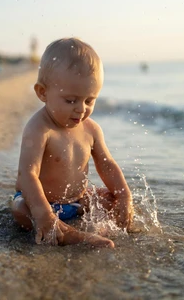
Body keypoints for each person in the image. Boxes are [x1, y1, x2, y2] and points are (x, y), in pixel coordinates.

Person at [11, 37, 133, 248]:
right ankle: (64, 232)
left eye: (89, 100)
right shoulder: (39, 128)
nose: (81, 109)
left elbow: (107, 164)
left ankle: (111, 226)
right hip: (40, 201)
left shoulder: (91, 129)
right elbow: (27, 175)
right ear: (43, 92)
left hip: (76, 202)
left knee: (109, 198)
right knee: (20, 208)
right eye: (70, 100)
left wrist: (124, 195)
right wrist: (43, 214)